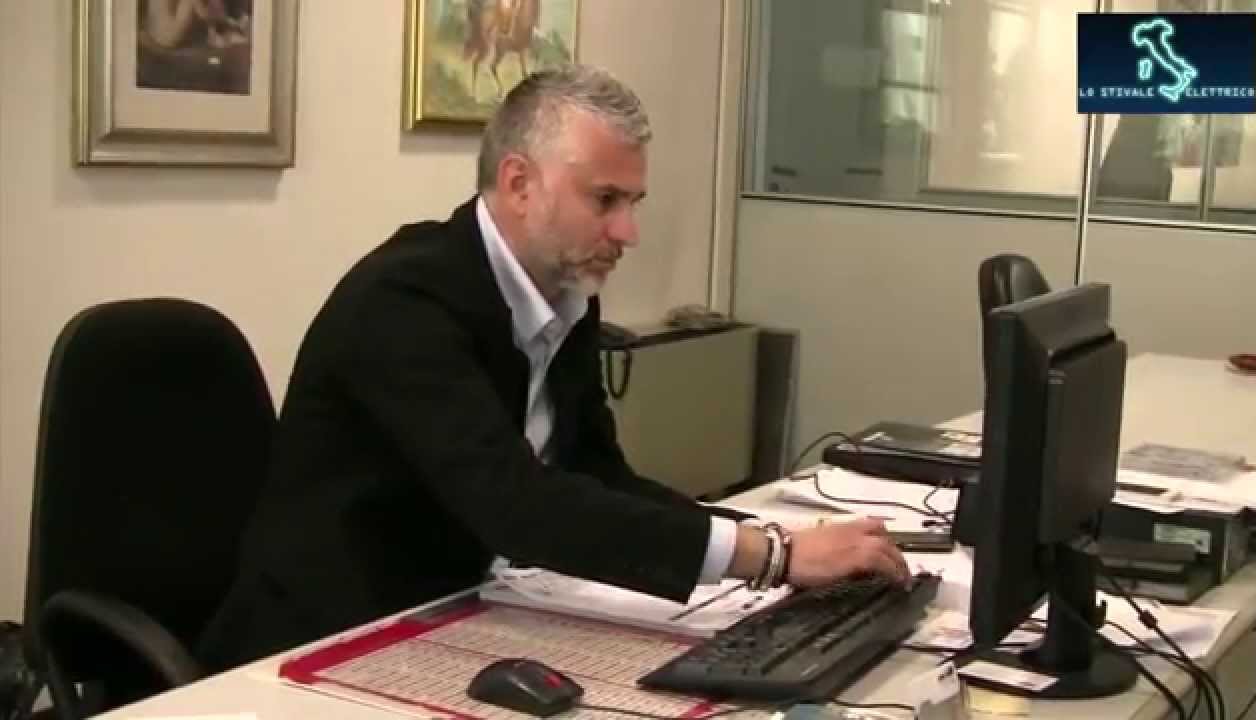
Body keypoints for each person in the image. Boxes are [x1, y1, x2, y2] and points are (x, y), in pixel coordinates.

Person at [198, 65, 910, 671]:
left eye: (633, 202)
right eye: (605, 200)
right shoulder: (402, 301)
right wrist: (770, 555)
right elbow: (518, 506)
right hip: (319, 641)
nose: (628, 231)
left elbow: (594, 473)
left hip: (455, 612)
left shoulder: (565, 291)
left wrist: (765, 540)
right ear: (518, 183)